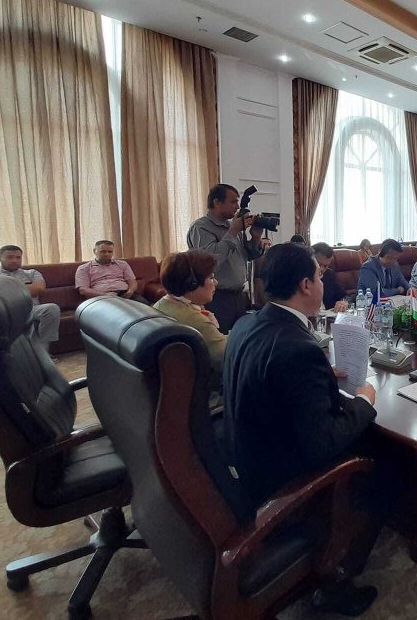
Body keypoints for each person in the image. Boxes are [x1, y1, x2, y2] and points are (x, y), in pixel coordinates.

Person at [223, 244, 379, 614]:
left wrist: (321, 374)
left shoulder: (247, 323)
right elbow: (323, 444)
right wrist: (364, 401)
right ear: (306, 285)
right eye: (320, 276)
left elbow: (268, 377)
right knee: (382, 464)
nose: (324, 283)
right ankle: (336, 573)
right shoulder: (297, 348)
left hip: (243, 454)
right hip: (280, 481)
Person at [187, 183, 267, 333]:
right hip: (216, 297)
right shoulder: (201, 227)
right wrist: (232, 232)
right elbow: (209, 261)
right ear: (217, 202)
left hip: (238, 296)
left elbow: (247, 256)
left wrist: (256, 237)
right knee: (220, 340)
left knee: (240, 338)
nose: (237, 206)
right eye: (233, 201)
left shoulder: (232, 226)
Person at [154, 249, 228, 374]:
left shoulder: (163, 304)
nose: (216, 282)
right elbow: (227, 359)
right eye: (211, 277)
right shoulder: (194, 320)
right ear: (192, 283)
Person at [0, 245, 60, 355]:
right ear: (0, 258)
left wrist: (5, 289)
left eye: (18, 257)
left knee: (52, 308)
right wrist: (28, 289)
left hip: (32, 309)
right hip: (7, 311)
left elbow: (39, 288)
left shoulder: (32, 273)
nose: (14, 260)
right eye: (10, 257)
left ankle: (43, 354)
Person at [74, 240, 149, 304]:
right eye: (103, 251)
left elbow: (132, 281)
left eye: (110, 252)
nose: (107, 254)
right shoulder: (84, 268)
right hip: (99, 296)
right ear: (94, 251)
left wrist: (130, 291)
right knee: (114, 311)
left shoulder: (122, 264)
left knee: (144, 304)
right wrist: (105, 295)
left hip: (124, 293)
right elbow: (83, 290)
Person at [311, 242, 350, 312]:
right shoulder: (302, 278)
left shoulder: (328, 275)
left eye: (325, 266)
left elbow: (345, 295)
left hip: (328, 316)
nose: (322, 269)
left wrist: (343, 302)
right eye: (319, 264)